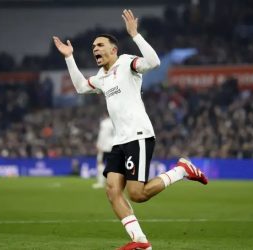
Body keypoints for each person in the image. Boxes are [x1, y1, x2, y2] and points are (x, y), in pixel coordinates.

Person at [53, 9, 208, 250]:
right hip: (120, 141)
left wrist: (135, 35)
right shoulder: (102, 77)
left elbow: (154, 62)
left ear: (113, 49)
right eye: (93, 46)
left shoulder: (127, 63)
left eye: (100, 45)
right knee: (112, 190)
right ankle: (141, 241)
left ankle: (181, 170)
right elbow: (82, 87)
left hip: (139, 135)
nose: (95, 49)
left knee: (137, 194)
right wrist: (69, 57)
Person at [93, 114, 114, 189]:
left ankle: (101, 182)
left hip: (105, 146)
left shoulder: (104, 123)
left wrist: (99, 144)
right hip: (115, 145)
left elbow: (102, 135)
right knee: (114, 165)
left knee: (100, 163)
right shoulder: (116, 121)